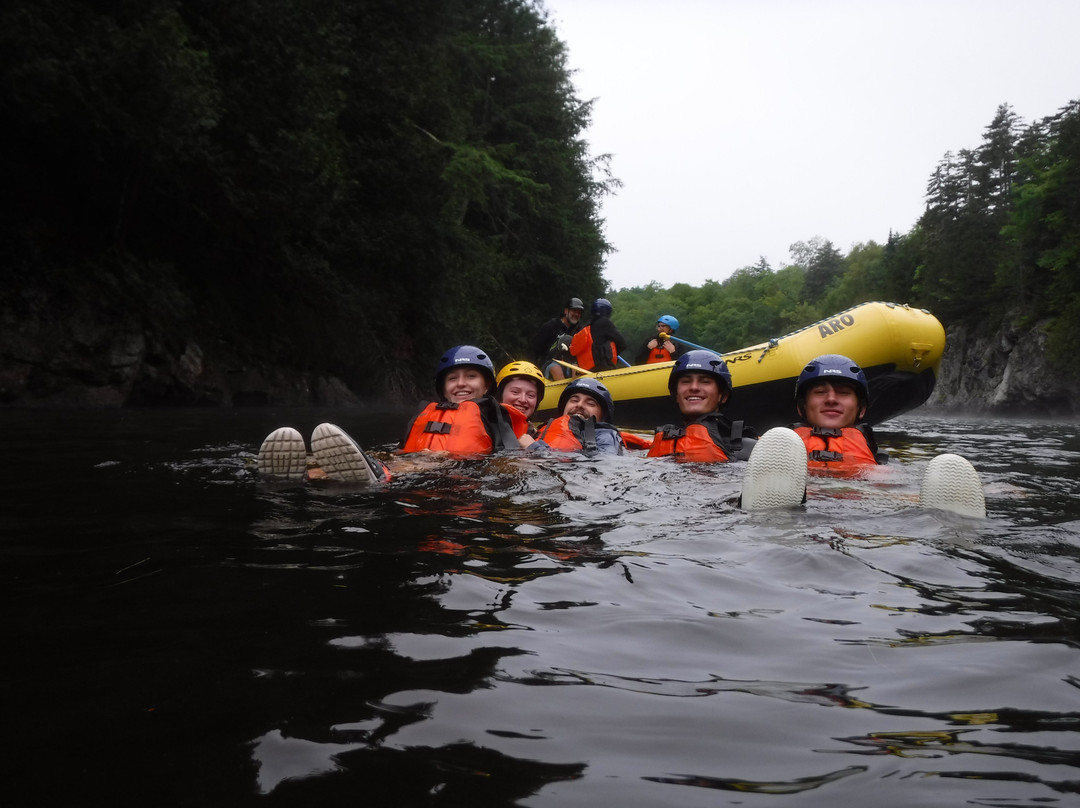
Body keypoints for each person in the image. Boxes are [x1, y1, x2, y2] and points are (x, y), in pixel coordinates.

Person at [740, 353, 986, 516]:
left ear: (862, 409)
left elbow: (902, 482)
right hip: (790, 497)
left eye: (844, 392)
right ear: (802, 407)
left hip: (862, 506)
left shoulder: (877, 462)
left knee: (894, 479)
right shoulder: (772, 448)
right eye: (820, 392)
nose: (832, 399)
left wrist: (993, 489)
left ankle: (947, 516)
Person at [257, 345, 518, 481]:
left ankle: (378, 473)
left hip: (453, 466)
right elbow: (402, 447)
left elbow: (509, 449)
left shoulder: (492, 412)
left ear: (486, 386)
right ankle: (307, 470)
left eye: (471, 377)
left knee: (418, 462)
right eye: (453, 379)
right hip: (413, 458)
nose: (461, 383)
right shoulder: (428, 411)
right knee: (388, 458)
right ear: (442, 387)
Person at [647, 349, 756, 462]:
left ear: (723, 396)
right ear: (676, 395)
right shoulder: (659, 443)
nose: (694, 387)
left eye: (705, 381)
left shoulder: (749, 449)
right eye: (686, 381)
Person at [528, 377, 624, 456]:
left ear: (603, 416)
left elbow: (605, 466)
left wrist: (535, 448)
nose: (580, 405)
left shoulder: (605, 436)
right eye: (574, 400)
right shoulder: (538, 431)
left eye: (590, 403)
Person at [528, 297, 585, 381]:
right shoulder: (550, 326)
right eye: (574, 311)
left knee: (577, 368)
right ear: (566, 311)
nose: (576, 314)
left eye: (579, 312)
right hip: (549, 363)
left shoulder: (580, 330)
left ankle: (576, 390)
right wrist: (531, 371)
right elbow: (533, 350)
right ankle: (562, 392)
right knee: (555, 367)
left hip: (570, 364)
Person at [568, 298, 629, 372]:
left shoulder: (586, 326)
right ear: (608, 312)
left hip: (587, 372)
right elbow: (623, 344)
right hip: (603, 370)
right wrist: (611, 353)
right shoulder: (605, 322)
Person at [495, 360, 546, 447]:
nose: (523, 400)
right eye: (515, 392)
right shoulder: (485, 427)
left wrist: (534, 448)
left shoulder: (537, 439)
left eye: (530, 395)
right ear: (500, 395)